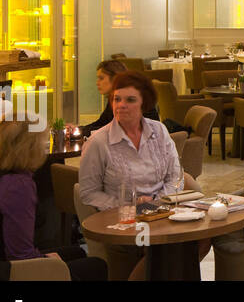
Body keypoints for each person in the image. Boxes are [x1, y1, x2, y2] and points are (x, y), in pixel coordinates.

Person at [0, 118, 107, 279]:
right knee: (96, 265)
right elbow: (20, 255)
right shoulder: (16, 185)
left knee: (76, 251)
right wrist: (48, 261)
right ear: (30, 148)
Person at [78, 72, 183, 211]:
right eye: (117, 99)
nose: (121, 105)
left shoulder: (159, 131)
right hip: (120, 217)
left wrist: (155, 202)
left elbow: (176, 178)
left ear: (144, 103)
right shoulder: (97, 142)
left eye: (130, 100)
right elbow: (89, 194)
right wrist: (129, 206)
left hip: (162, 211)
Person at [81, 61, 159, 137]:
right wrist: (79, 130)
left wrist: (82, 131)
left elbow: (115, 129)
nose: (97, 83)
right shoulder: (115, 98)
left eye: (101, 78)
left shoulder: (131, 98)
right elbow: (102, 123)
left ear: (115, 78)